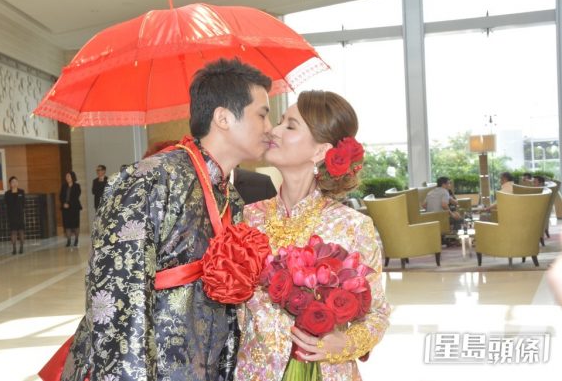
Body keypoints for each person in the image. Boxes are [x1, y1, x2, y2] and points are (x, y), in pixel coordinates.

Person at [41, 58, 273, 381]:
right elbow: (118, 300)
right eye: (262, 114)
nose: (269, 127)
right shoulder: (149, 180)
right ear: (223, 117)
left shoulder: (229, 196)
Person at [235, 91, 390, 381]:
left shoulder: (352, 225)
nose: (274, 130)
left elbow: (377, 314)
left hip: (327, 373)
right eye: (279, 122)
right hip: (254, 373)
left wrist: (345, 344)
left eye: (290, 126)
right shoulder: (248, 218)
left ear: (320, 151)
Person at [59, 171, 82, 247]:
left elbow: (76, 196)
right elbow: (61, 196)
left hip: (74, 208)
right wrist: (64, 203)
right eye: (66, 176)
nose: (67, 178)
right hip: (65, 208)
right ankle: (68, 241)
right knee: (67, 225)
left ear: (72, 177)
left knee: (75, 224)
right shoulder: (64, 186)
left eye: (68, 176)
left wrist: (69, 204)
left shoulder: (77, 186)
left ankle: (76, 240)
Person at [4, 176, 26, 254]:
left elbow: (23, 203)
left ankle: (21, 247)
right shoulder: (7, 193)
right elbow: (6, 204)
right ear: (10, 184)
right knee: (13, 232)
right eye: (13, 182)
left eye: (16, 181)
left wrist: (20, 210)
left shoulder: (21, 192)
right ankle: (14, 249)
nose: (15, 183)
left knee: (21, 231)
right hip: (12, 215)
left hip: (20, 214)